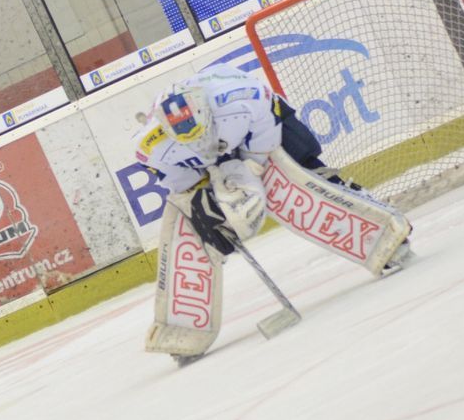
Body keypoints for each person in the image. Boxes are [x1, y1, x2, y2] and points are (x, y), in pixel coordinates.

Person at [133, 62, 412, 362]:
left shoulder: (243, 98)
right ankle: (183, 329)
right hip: (210, 156)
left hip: (263, 125)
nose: (201, 143)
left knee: (307, 175)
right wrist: (209, 209)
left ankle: (385, 238)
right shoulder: (151, 147)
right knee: (198, 219)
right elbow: (186, 187)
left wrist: (250, 170)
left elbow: (263, 143)